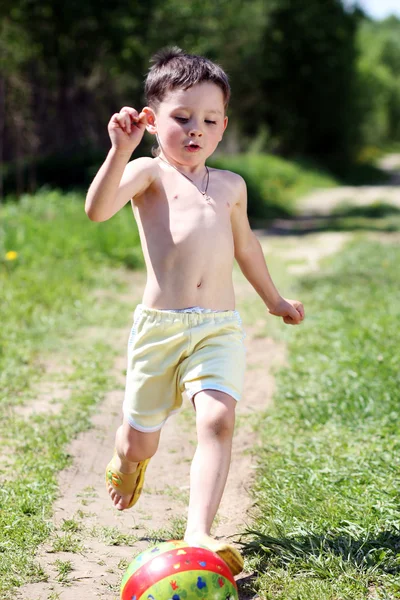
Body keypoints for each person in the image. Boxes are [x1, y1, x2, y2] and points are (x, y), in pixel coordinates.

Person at [85, 47, 305, 576]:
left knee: (218, 419)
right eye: (181, 118)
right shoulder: (146, 174)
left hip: (217, 328)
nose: (194, 129)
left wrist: (274, 300)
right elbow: (97, 210)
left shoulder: (231, 186)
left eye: (208, 120)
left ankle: (199, 531)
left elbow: (247, 247)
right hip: (161, 330)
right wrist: (119, 151)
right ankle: (130, 457)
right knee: (142, 438)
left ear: (223, 126)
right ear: (153, 120)